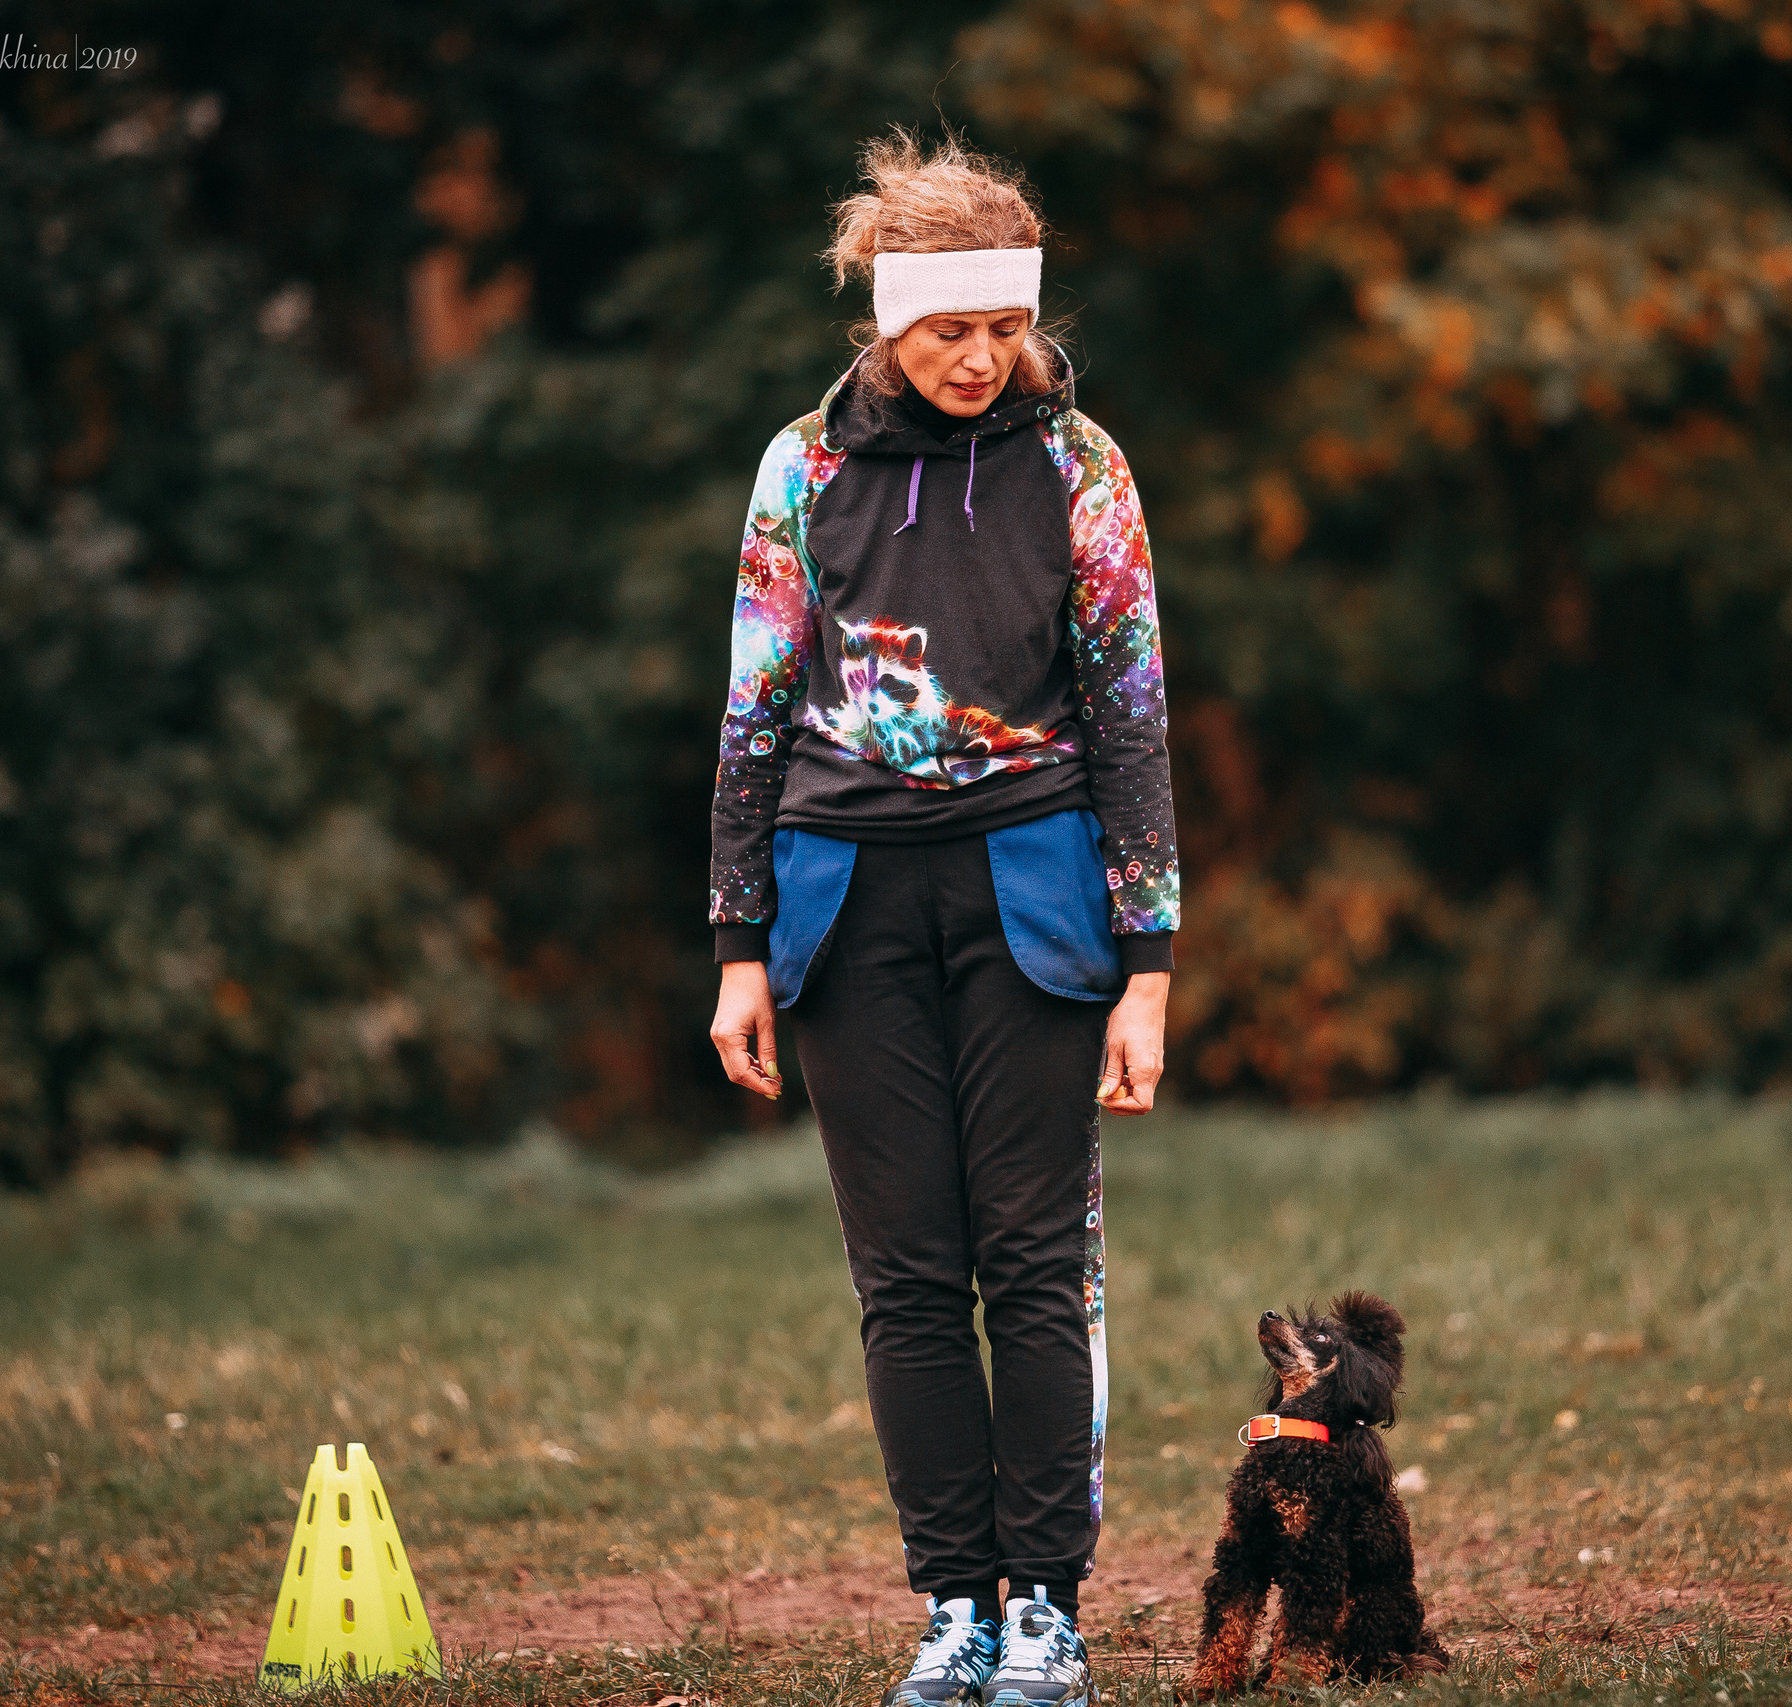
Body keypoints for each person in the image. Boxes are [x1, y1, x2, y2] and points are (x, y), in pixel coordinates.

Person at [706, 133, 1179, 1707]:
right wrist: (736, 948)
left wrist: (1148, 966)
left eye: (1003, 328)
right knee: (907, 1281)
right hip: (843, 906)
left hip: (1034, 898)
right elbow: (752, 716)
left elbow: (1130, 716)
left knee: (1036, 1266)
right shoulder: (804, 469)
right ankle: (955, 1615)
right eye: (947, 331)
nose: (981, 359)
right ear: (886, 320)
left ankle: (1047, 1612)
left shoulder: (1081, 464)